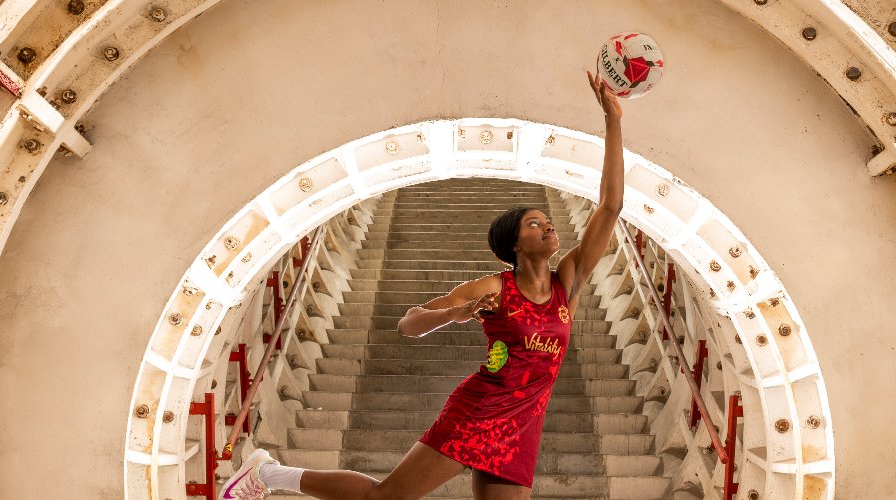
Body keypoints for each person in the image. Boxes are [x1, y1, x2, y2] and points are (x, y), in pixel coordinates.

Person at [221, 71, 627, 500]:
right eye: (534, 223)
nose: (547, 226)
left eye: (547, 222)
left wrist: (613, 122)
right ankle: (268, 475)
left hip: (524, 423)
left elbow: (611, 205)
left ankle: (268, 475)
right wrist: (456, 313)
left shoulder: (569, 283)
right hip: (481, 408)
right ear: (513, 244)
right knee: (386, 497)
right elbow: (409, 324)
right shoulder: (493, 287)